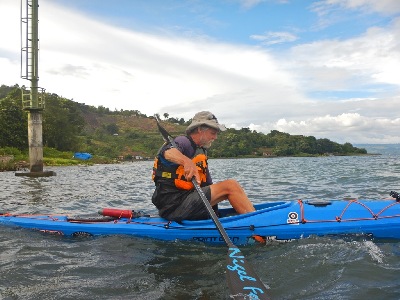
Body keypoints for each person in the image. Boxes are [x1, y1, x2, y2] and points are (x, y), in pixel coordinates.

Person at [152, 111, 256, 222]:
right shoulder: (184, 142)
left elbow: (208, 185)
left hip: (187, 203)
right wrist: (186, 162)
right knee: (231, 186)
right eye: (213, 133)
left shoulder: (201, 151)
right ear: (200, 129)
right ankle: (257, 227)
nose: (215, 137)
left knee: (227, 188)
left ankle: (250, 218)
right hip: (173, 207)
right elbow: (167, 152)